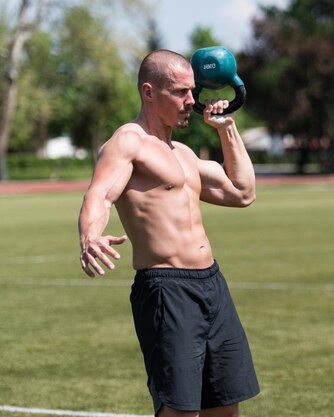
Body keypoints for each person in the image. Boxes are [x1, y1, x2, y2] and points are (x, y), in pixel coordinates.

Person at [78, 49, 260, 417]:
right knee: (180, 411)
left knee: (225, 406)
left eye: (192, 91)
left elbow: (243, 193)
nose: (192, 101)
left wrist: (227, 128)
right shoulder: (128, 142)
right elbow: (99, 195)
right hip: (167, 289)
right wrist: (89, 235)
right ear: (149, 92)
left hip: (212, 285)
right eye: (180, 92)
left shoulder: (183, 154)